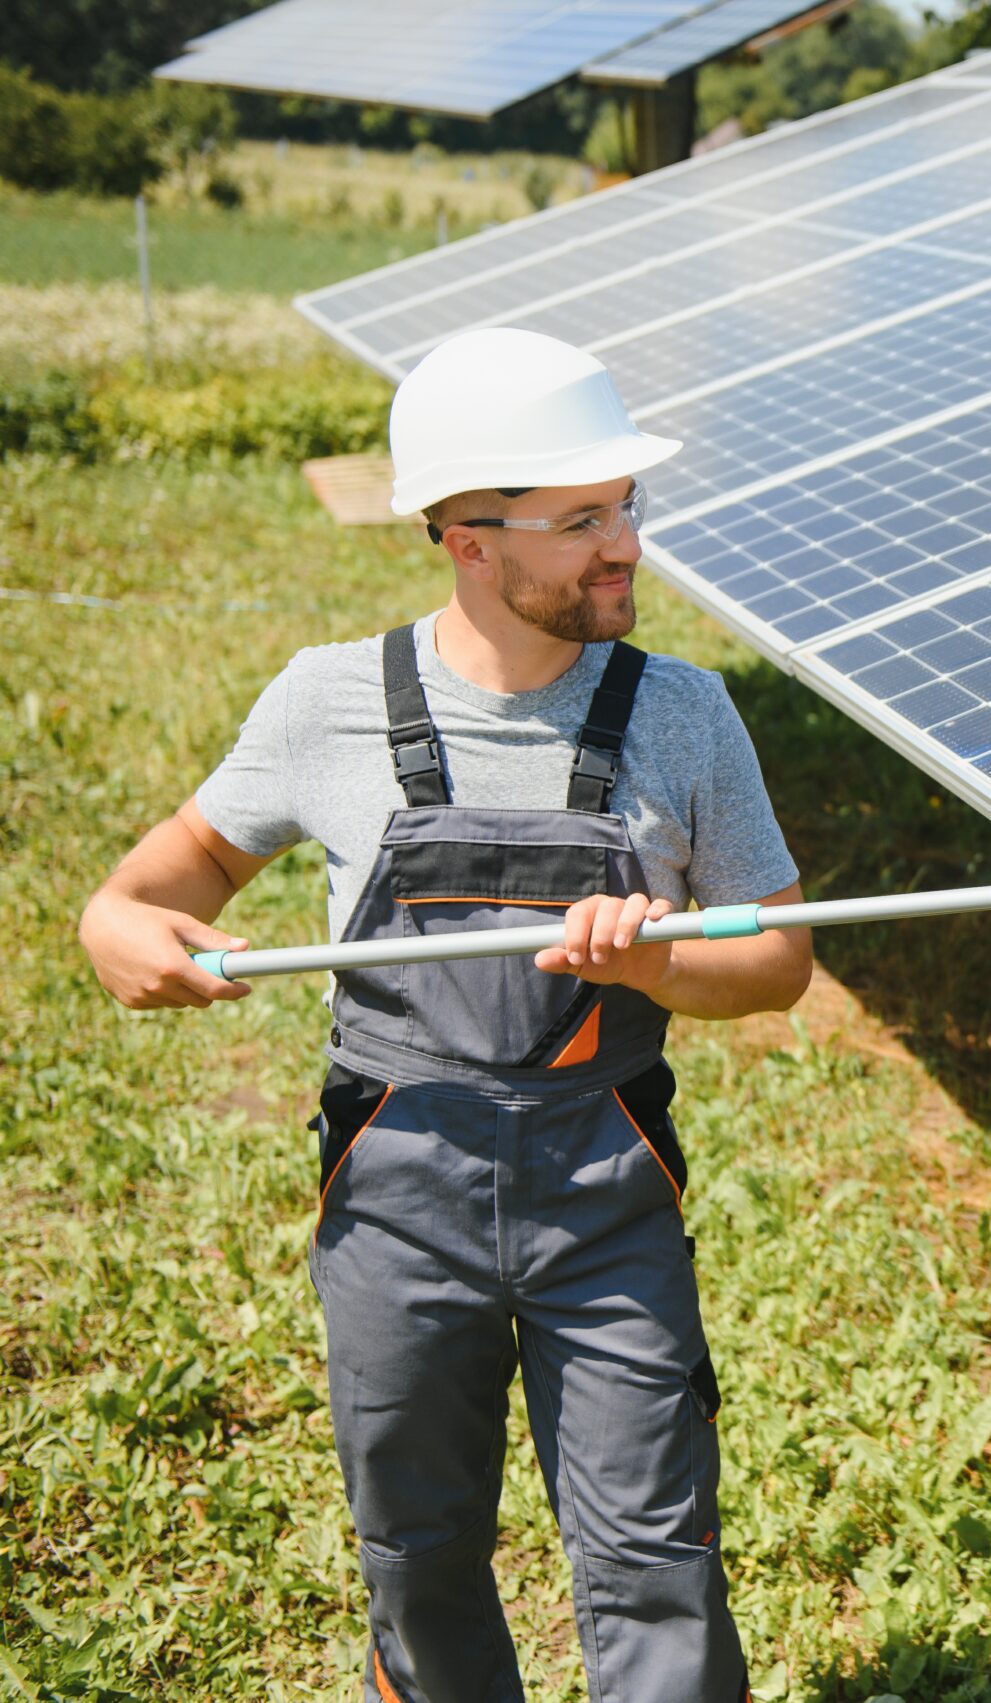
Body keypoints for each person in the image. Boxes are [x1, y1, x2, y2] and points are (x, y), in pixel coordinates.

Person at [78, 326, 813, 1703]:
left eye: (627, 508)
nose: (627, 547)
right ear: (468, 535)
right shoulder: (328, 705)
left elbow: (777, 962)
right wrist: (114, 930)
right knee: (416, 1555)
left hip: (608, 1199)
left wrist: (653, 964)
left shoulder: (688, 717)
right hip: (395, 1201)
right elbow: (146, 889)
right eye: (583, 519)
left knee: (658, 1560)